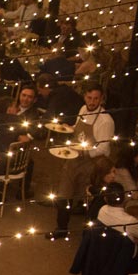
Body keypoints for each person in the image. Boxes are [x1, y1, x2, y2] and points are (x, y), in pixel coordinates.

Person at [50, 87, 115, 240]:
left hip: (90, 164)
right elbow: (78, 130)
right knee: (63, 193)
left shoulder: (106, 121)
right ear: (84, 97)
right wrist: (67, 128)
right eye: (89, 97)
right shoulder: (82, 109)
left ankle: (89, 234)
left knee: (86, 197)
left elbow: (104, 148)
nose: (92, 102)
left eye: (96, 99)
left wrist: (85, 152)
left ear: (101, 99)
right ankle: (62, 228)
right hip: (73, 158)